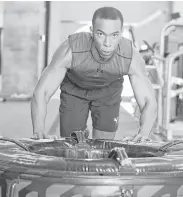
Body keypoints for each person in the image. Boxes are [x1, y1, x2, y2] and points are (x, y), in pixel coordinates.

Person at [31, 7, 157, 141]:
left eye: (114, 35)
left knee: (104, 144)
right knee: (72, 144)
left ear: (121, 34)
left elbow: (148, 100)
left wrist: (143, 134)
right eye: (101, 34)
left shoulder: (130, 57)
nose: (107, 43)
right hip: (75, 91)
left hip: (109, 93)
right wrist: (39, 131)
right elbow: (42, 92)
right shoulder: (70, 51)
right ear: (91, 32)